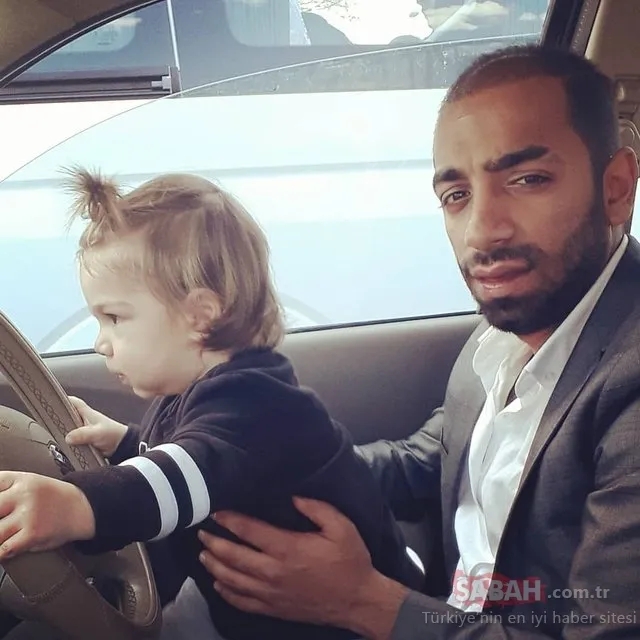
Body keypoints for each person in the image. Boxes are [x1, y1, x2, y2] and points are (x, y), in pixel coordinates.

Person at [194, 44, 640, 638]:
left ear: (616, 189)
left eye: (527, 179)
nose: (481, 230)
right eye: (457, 196)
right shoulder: (506, 336)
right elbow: (427, 461)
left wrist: (364, 602)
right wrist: (224, 460)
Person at [0, 169, 423, 640]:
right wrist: (125, 442)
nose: (101, 343)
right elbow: (202, 464)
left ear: (199, 316)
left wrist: (77, 503)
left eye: (114, 318)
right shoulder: (203, 396)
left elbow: (189, 472)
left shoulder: (259, 405)